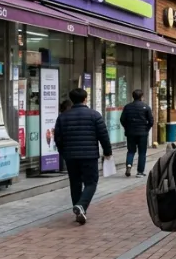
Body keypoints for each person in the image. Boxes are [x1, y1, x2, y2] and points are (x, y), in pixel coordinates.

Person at [53, 88, 112, 225]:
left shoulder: (63, 117)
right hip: (89, 155)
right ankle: (81, 206)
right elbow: (103, 135)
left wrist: (64, 153)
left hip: (71, 156)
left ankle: (79, 210)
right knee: (91, 182)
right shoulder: (94, 115)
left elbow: (58, 138)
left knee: (75, 183)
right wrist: (107, 151)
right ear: (85, 99)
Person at [119, 89, 154, 177]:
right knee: (142, 152)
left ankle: (129, 165)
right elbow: (151, 121)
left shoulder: (127, 107)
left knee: (131, 151)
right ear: (142, 97)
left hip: (130, 133)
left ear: (133, 96)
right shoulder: (146, 107)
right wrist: (147, 129)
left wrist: (127, 128)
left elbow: (122, 119)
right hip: (142, 133)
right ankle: (140, 172)